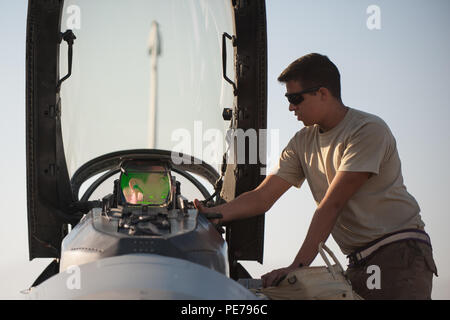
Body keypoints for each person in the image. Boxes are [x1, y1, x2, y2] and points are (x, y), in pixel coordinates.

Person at [194, 53, 438, 299]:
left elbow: (332, 204)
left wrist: (296, 268)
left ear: (322, 93)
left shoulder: (367, 131)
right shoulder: (302, 141)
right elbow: (262, 196)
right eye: (288, 99)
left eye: (295, 98)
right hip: (357, 262)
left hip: (398, 254)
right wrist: (213, 214)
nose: (290, 107)